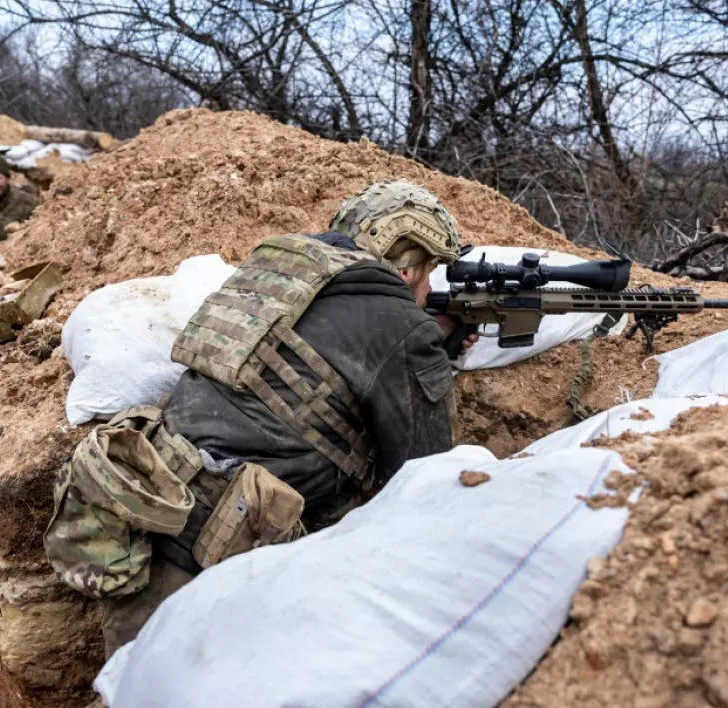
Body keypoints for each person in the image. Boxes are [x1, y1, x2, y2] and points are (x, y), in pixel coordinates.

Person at [86, 180, 476, 657]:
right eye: (428, 270)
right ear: (404, 262)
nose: (428, 287)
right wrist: (424, 352)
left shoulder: (276, 269)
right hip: (225, 555)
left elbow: (310, 365)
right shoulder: (400, 322)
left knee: (133, 683)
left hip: (148, 507)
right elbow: (421, 478)